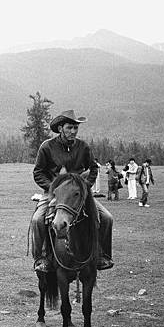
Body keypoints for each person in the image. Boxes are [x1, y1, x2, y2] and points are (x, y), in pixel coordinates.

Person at [31, 110, 114, 272]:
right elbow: (38, 172)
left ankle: (102, 255)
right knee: (37, 220)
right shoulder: (47, 147)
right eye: (70, 128)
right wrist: (53, 188)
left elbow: (93, 169)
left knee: (107, 218)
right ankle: (42, 258)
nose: (73, 131)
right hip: (54, 192)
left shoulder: (83, 147)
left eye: (76, 128)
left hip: (78, 194)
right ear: (60, 128)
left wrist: (84, 187)